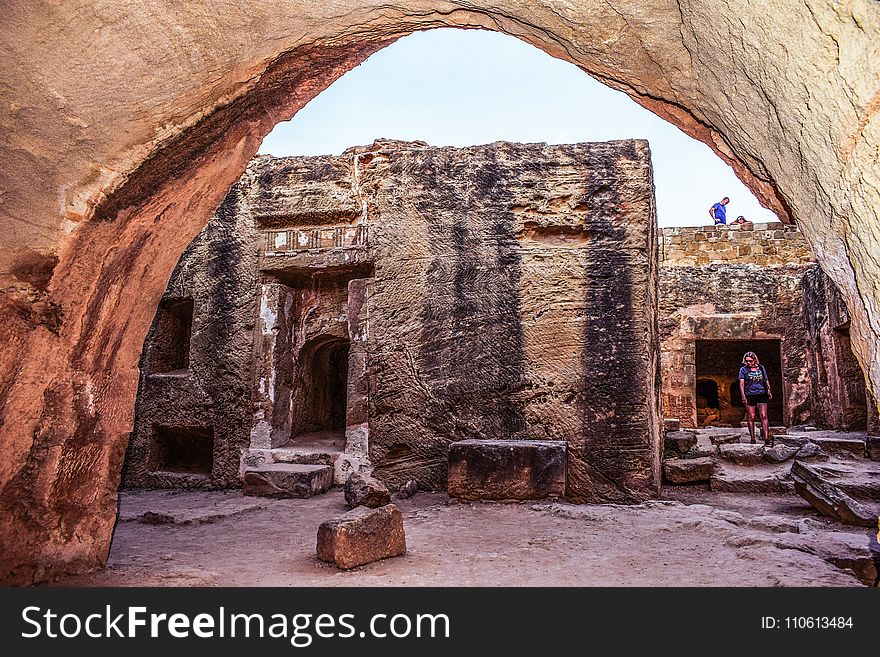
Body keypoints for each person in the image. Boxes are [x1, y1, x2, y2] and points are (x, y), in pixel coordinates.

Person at [738, 351, 773, 445]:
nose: (748, 363)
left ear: (754, 360)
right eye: (747, 361)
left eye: (750, 361)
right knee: (751, 417)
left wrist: (769, 390)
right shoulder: (743, 370)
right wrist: (743, 396)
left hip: (761, 393)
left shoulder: (761, 368)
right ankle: (752, 439)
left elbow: (766, 380)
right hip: (749, 394)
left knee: (764, 415)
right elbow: (741, 384)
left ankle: (766, 439)